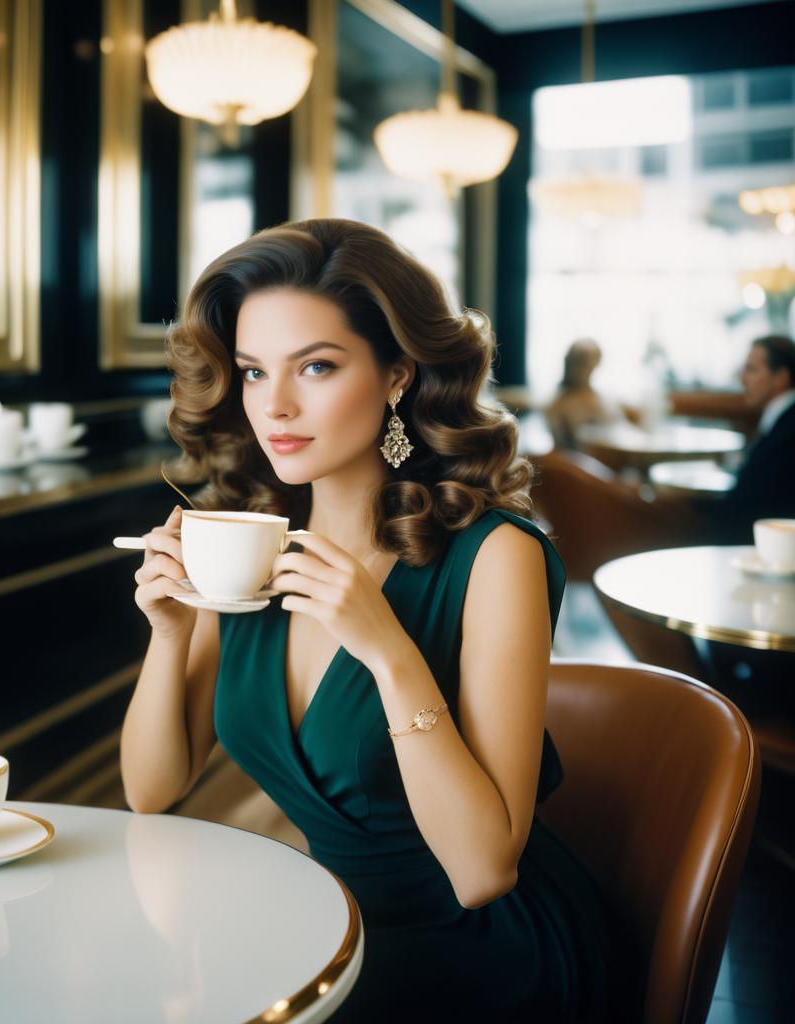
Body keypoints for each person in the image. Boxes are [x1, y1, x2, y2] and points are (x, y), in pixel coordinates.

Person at [121, 219, 614, 1022]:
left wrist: (388, 652)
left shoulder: (495, 556)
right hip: (326, 930)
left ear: (396, 375)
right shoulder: (254, 543)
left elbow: (482, 870)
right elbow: (153, 789)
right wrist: (170, 633)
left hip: (478, 958)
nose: (273, 405)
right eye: (252, 372)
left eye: (315, 366)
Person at [716, 334, 795, 543]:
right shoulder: (780, 419)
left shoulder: (789, 430)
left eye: (752, 370)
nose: (743, 379)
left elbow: (756, 502)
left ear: (781, 377)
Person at [544, 337, 624, 449]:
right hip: (574, 463)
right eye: (579, 362)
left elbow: (618, 432)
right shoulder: (557, 403)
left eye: (587, 363)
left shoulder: (601, 399)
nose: (581, 369)